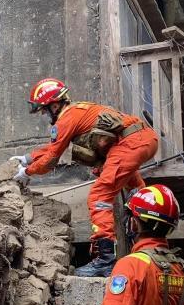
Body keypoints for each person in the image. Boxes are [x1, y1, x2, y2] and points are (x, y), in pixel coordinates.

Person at [10, 78, 158, 277]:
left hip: (129, 144)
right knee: (137, 196)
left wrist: (27, 172)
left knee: (99, 196)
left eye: (45, 110)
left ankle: (106, 260)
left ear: (55, 104)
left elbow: (51, 160)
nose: (45, 114)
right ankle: (150, 249)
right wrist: (28, 158)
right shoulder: (76, 112)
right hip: (141, 139)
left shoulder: (66, 120)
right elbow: (55, 148)